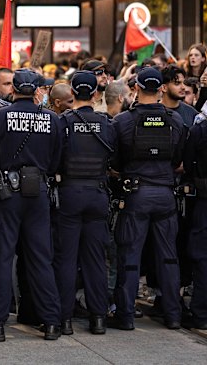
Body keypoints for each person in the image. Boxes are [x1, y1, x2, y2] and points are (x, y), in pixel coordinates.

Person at [0, 68, 63, 341]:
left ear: (13, 88)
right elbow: (56, 160)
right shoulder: (52, 120)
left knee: (1, 259)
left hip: (5, 195)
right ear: (38, 91)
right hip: (37, 194)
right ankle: (51, 322)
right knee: (40, 259)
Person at [110, 67, 185, 331]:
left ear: (137, 88)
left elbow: (115, 161)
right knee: (168, 257)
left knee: (130, 256)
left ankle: (126, 316)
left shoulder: (122, 121)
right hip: (165, 194)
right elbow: (178, 160)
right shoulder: (175, 120)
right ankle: (173, 316)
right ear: (161, 89)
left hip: (136, 194)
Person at [53, 71, 116, 335]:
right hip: (97, 194)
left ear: (72, 93)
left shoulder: (62, 123)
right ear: (94, 94)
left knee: (66, 259)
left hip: (69, 194)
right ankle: (98, 318)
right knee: (95, 259)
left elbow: (53, 158)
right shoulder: (107, 124)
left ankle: (65, 320)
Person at [183, 115, 207, 330]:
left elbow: (188, 164)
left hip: (203, 199)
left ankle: (200, 313)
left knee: (202, 257)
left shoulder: (200, 130)